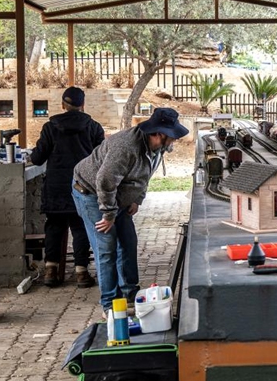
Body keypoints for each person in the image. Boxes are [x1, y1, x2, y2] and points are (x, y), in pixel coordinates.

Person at [72, 107, 189, 315]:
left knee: (128, 242)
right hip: (90, 191)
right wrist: (108, 215)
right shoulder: (126, 146)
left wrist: (137, 198)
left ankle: (130, 295)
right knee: (106, 247)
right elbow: (105, 181)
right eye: (172, 137)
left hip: (117, 194)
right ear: (160, 134)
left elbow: (146, 174)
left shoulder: (158, 148)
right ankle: (110, 304)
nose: (175, 141)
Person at [30, 87, 105, 288]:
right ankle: (81, 272)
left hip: (56, 186)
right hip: (83, 185)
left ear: (63, 105)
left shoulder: (50, 127)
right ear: (83, 105)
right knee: (81, 227)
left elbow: (37, 158)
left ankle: (51, 270)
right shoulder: (94, 127)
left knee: (54, 227)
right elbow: (102, 159)